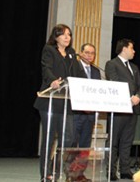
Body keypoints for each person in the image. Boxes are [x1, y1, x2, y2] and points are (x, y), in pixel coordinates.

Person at [33, 24, 86, 182]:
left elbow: (78, 74)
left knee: (68, 139)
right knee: (49, 139)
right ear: (56, 37)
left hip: (66, 103)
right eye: (63, 34)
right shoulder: (49, 50)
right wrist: (52, 81)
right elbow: (46, 68)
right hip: (50, 100)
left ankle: (55, 168)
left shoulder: (71, 54)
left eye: (69, 34)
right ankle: (45, 174)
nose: (67, 37)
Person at [104, 38, 140, 181]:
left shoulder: (134, 67)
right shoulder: (111, 64)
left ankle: (125, 170)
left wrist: (138, 96)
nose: (134, 51)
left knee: (127, 141)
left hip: (133, 108)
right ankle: (111, 171)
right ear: (124, 48)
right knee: (114, 141)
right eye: (132, 48)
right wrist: (129, 98)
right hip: (119, 108)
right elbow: (114, 82)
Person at [73, 43, 101, 148]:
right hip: (76, 113)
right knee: (72, 141)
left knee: (85, 144)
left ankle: (81, 165)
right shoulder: (74, 67)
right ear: (81, 53)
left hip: (90, 115)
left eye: (92, 53)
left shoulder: (96, 71)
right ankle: (67, 165)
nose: (90, 55)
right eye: (87, 53)